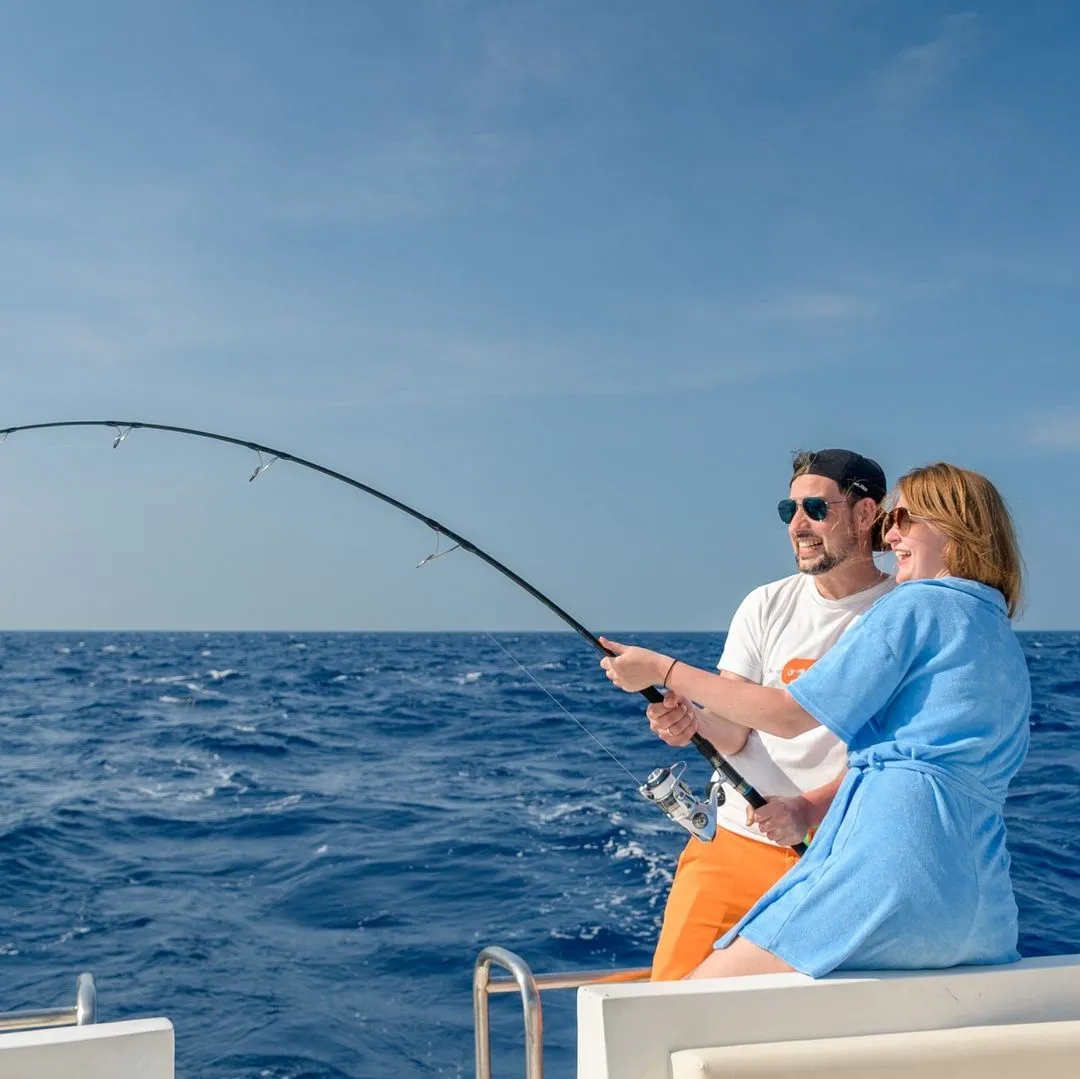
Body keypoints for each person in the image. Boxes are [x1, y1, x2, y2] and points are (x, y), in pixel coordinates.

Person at [602, 462, 1029, 979]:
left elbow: (788, 716)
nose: (889, 533)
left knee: (676, 1007)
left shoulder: (913, 604)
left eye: (902, 518)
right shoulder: (996, 629)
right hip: (980, 896)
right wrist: (691, 716)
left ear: (955, 526)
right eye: (789, 510)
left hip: (884, 866)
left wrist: (661, 668)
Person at [647, 448, 895, 981]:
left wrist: (806, 810)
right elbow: (734, 732)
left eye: (814, 509)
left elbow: (895, 755)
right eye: (789, 511)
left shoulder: (902, 612)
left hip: (834, 859)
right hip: (733, 843)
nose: (797, 525)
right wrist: (693, 720)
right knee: (662, 1001)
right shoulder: (765, 603)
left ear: (865, 514)